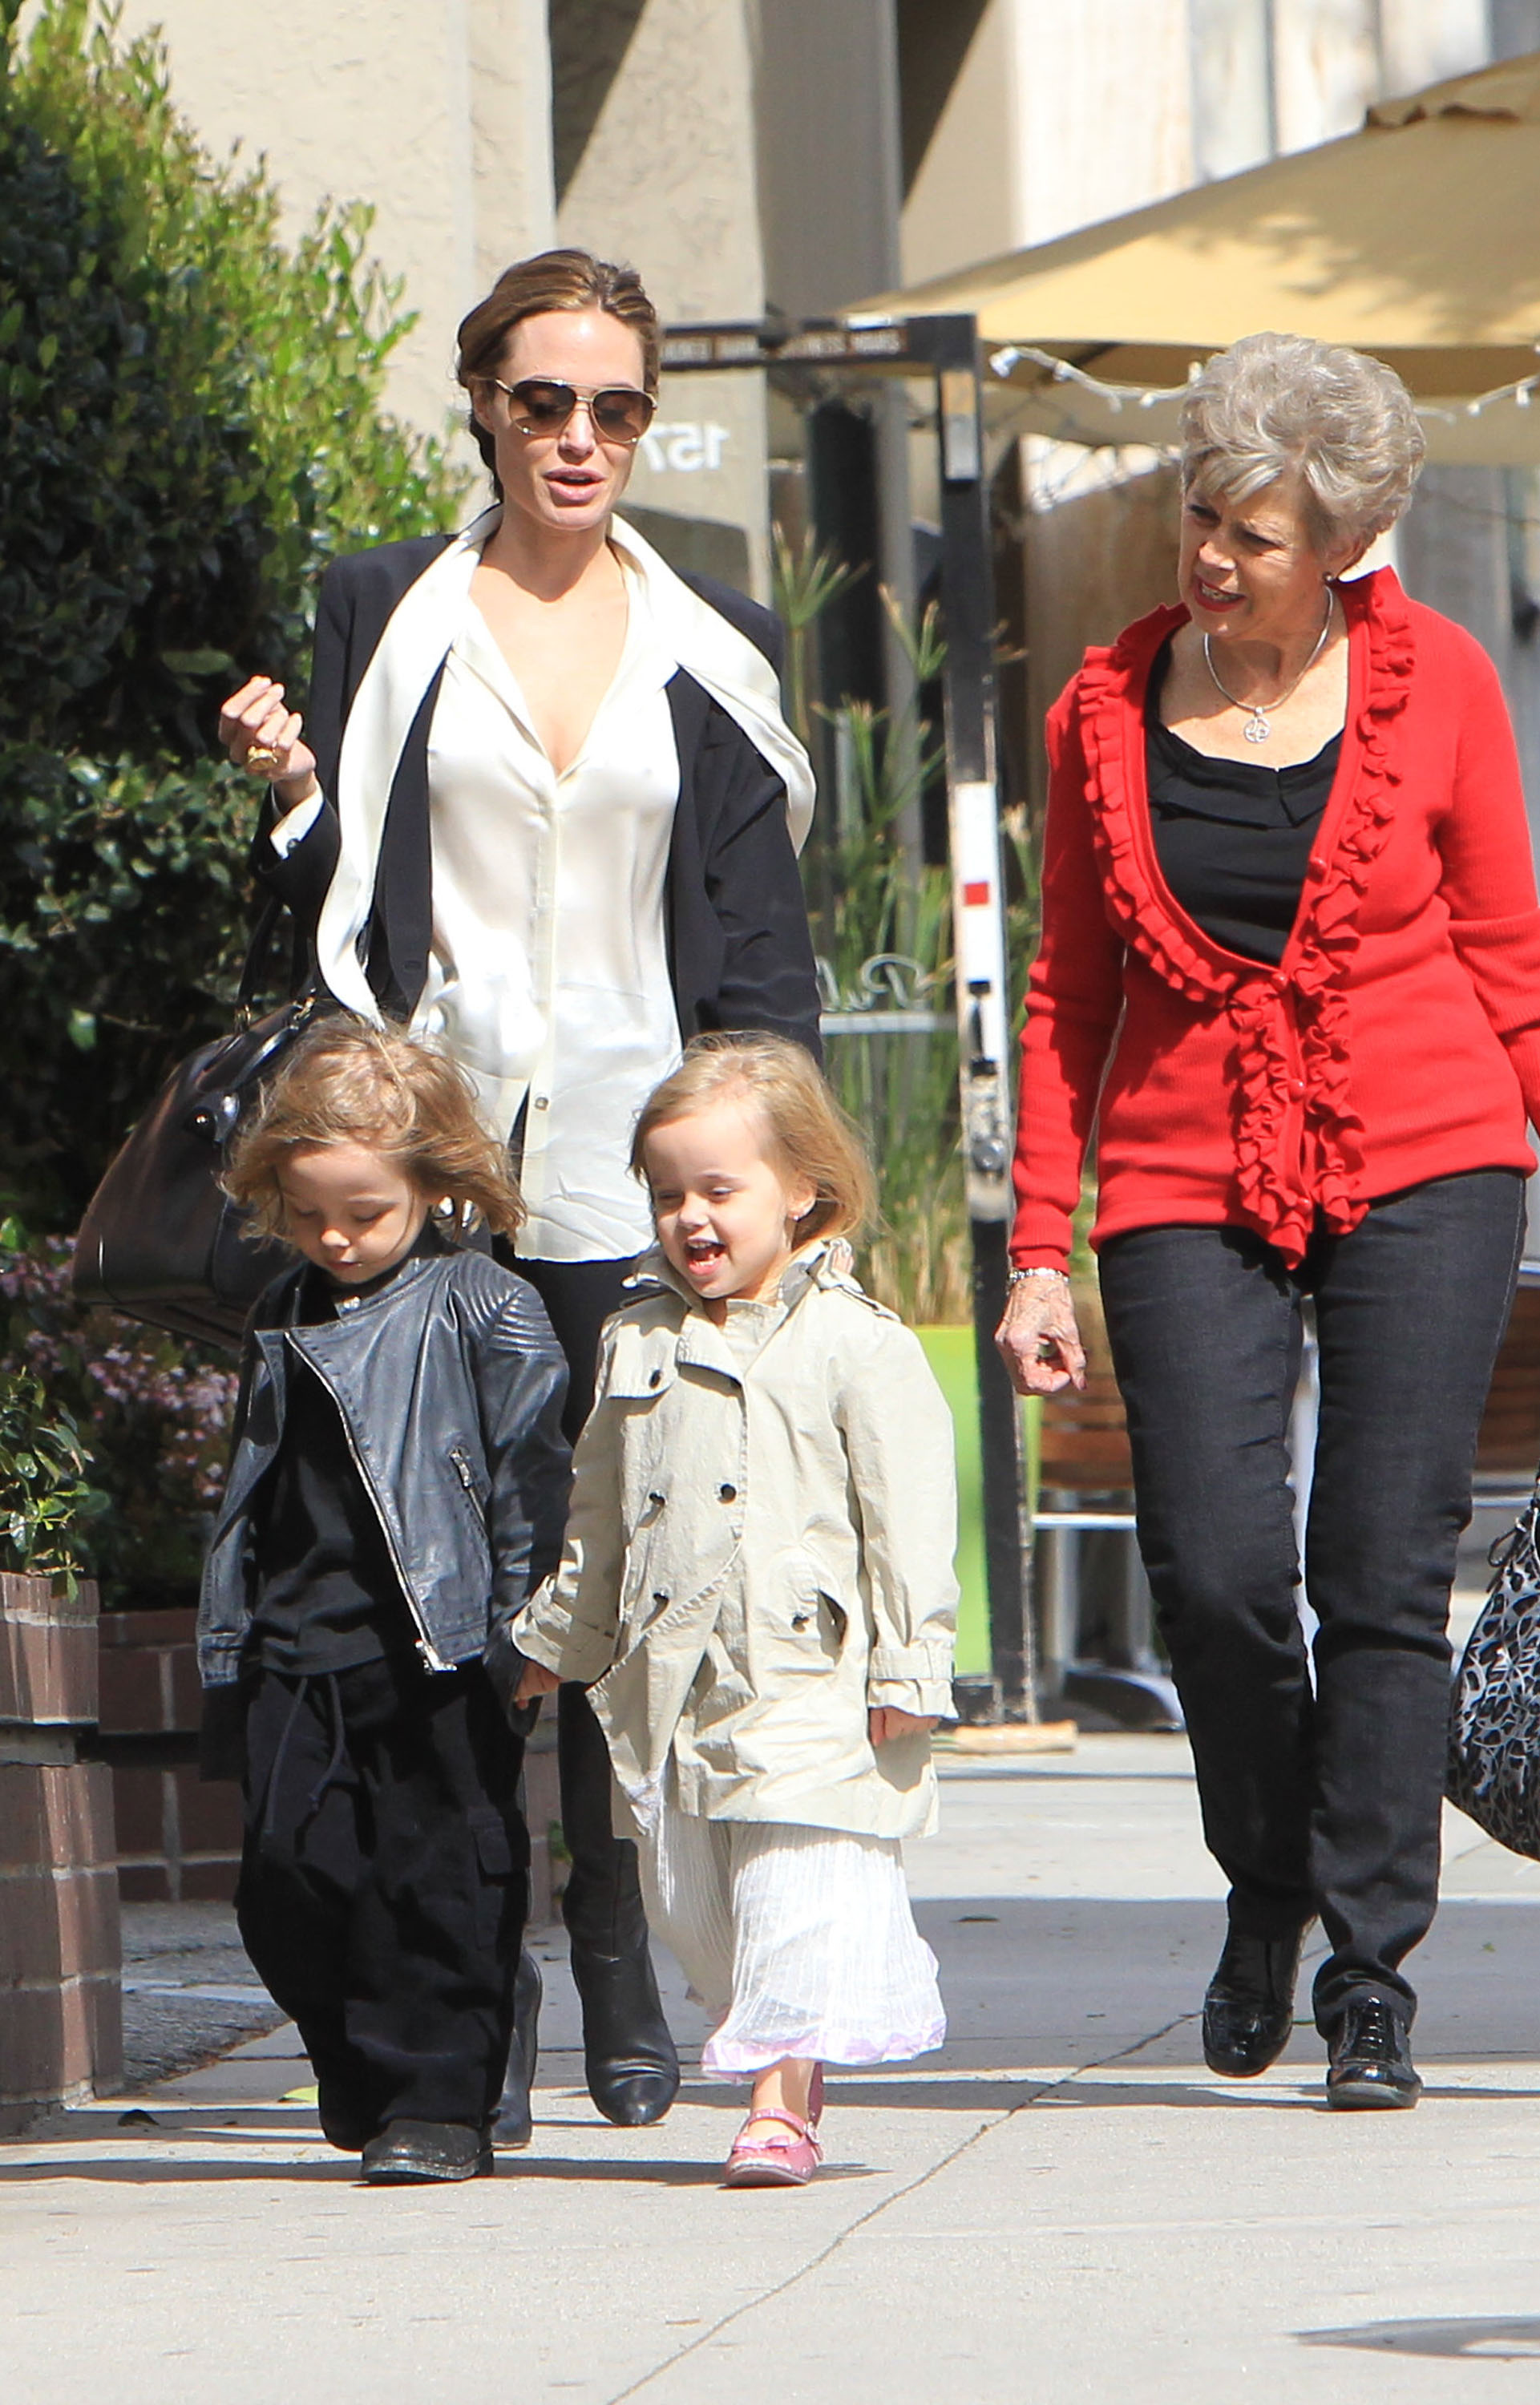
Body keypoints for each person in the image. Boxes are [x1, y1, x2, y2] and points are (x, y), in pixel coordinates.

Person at [996, 331, 1540, 2112]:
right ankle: (1266, 1880)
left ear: (1346, 547)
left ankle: (1371, 1969)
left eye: (1255, 534)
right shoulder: (1102, 711)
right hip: (1180, 1173)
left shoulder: (1439, 683)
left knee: (1377, 1571)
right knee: (1217, 1572)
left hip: (1428, 1158)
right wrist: (1037, 1247)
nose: (1211, 557)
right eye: (1199, 514)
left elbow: (1515, 964)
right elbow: (1068, 995)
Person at [215, 249, 819, 2132]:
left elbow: (760, 936)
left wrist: (778, 1178)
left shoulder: (710, 636)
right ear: (482, 402)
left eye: (616, 408)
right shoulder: (385, 610)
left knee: (611, 1570)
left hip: (637, 1170)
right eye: (544, 400)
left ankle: (617, 1946)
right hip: (437, 1164)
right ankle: (476, 1990)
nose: (579, 438)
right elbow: (341, 905)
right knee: (441, 1587)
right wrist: (289, 797)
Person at [510, 1033, 956, 2186]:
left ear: (802, 1187)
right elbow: (599, 1511)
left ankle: (777, 2108)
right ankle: (779, 2057)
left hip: (807, 1673)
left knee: (795, 1892)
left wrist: (910, 1671)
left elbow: (909, 1525)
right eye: (668, 1195)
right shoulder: (633, 1337)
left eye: (719, 1189)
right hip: (675, 1681)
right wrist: (561, 1640)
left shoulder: (857, 1343)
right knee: (701, 1911)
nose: (690, 1218)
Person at [196, 1020, 570, 2183]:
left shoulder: (485, 1305)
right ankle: (375, 2067)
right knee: (286, 1880)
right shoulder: (281, 1309)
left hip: (438, 1647)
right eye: (308, 1213)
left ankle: (440, 2102)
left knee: (436, 1876)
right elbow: (253, 1483)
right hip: (294, 1641)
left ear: (433, 1182)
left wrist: (524, 1632)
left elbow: (530, 1481)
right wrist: (233, 1631)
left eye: (365, 1212)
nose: (336, 1237)